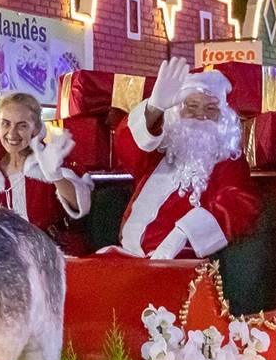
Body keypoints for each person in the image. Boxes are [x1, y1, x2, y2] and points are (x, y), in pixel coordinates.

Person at [109, 57, 260, 259]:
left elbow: (239, 204)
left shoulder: (228, 161)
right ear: (177, 111)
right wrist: (154, 107)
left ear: (223, 117)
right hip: (127, 255)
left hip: (179, 263)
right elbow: (126, 147)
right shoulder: (160, 150)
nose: (201, 116)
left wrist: (185, 232)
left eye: (211, 108)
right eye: (192, 106)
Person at [0, 92, 93, 255]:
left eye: (22, 125)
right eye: (6, 124)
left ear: (36, 128)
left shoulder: (50, 160)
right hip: (4, 261)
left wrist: (55, 176)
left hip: (52, 257)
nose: (12, 133)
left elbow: (81, 205)